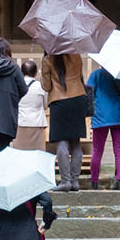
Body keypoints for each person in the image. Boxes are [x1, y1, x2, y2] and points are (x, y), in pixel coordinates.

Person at [86, 60, 120, 189]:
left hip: (100, 117)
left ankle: (94, 181)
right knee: (119, 151)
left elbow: (88, 93)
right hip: (117, 116)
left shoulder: (95, 75)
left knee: (97, 151)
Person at [47, 55, 90, 193]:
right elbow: (80, 78)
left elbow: (46, 85)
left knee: (62, 142)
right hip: (77, 100)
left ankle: (65, 181)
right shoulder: (76, 57)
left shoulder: (48, 59)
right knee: (76, 143)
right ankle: (75, 181)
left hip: (58, 102)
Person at [13, 60, 49, 151]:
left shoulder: (15, 85)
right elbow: (45, 106)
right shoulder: (41, 86)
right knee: (37, 154)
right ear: (35, 72)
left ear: (21, 72)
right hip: (37, 123)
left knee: (20, 154)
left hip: (20, 122)